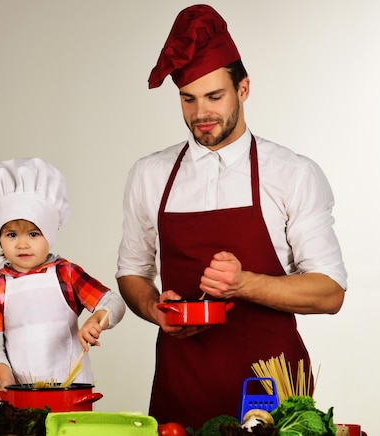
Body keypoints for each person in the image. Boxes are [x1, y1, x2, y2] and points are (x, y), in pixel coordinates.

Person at [116, 4, 347, 430]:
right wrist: (151, 306)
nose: (201, 113)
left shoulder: (291, 173)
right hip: (180, 389)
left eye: (214, 96)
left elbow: (330, 292)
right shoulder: (150, 174)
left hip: (272, 392)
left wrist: (242, 284)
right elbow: (132, 271)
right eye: (188, 99)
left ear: (243, 89)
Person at [0, 157, 126, 401]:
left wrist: (97, 320)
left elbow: (114, 302)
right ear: (0, 238)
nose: (22, 244)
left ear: (50, 234)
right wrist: (4, 378)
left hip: (72, 392)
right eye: (11, 234)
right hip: (22, 394)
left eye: (34, 234)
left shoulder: (66, 273)